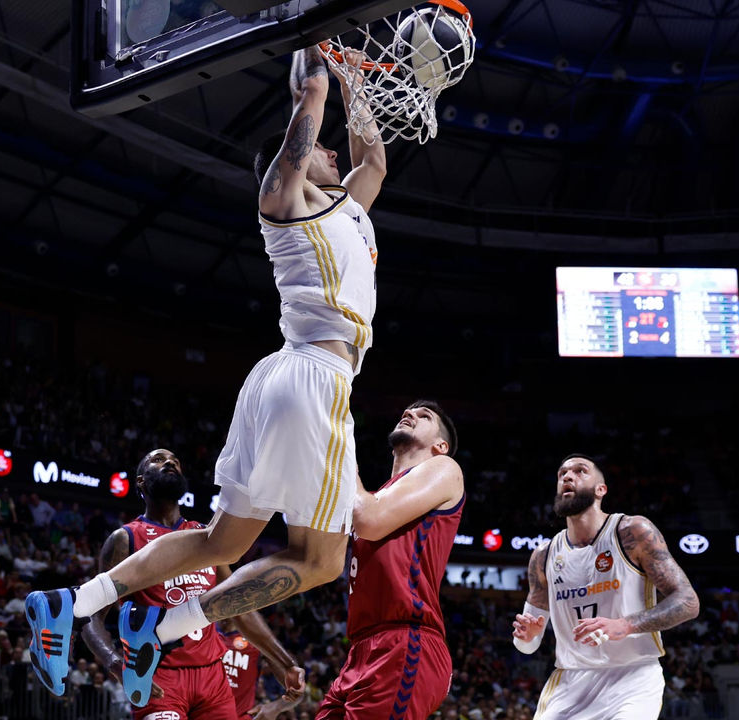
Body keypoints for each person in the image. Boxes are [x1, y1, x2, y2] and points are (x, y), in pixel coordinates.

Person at [26, 42, 388, 707]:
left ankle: (73, 604)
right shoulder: (284, 197)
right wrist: (318, 35)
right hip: (315, 379)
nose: (337, 153)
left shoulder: (350, 209)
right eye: (323, 150)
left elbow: (374, 158)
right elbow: (306, 97)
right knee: (324, 561)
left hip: (278, 380)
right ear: (300, 159)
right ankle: (163, 629)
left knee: (223, 540)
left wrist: (355, 77)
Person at [79, 449, 304, 717]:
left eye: (175, 460)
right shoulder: (125, 539)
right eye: (158, 460)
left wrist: (285, 662)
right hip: (157, 673)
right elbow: (90, 615)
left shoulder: (205, 537)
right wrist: (117, 664)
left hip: (212, 677)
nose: (171, 462)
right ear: (141, 482)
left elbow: (239, 603)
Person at [510, 454, 701, 720]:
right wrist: (527, 636)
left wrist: (625, 625)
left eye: (580, 471)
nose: (567, 476)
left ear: (601, 490)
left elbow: (688, 602)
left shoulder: (633, 531)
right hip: (571, 681)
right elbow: (525, 646)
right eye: (562, 474)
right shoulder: (544, 555)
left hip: (633, 677)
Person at [316, 400, 464, 720]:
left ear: (441, 445)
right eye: (407, 411)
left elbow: (370, 521)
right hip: (361, 648)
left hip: (406, 639)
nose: (409, 414)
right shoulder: (376, 496)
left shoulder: (444, 468)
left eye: (424, 416)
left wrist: (344, 461)